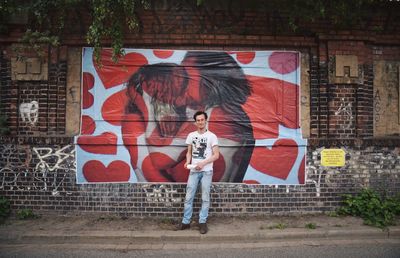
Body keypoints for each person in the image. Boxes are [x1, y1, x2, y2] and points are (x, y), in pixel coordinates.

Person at [175, 110, 219, 234]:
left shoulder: (212, 136)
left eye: (202, 120)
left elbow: (216, 155)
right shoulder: (191, 135)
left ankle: (202, 222)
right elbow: (189, 152)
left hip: (206, 172)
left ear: (206, 120)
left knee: (205, 198)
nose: (200, 122)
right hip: (193, 171)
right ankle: (185, 222)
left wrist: (203, 163)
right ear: (195, 122)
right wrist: (187, 162)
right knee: (189, 197)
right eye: (198, 120)